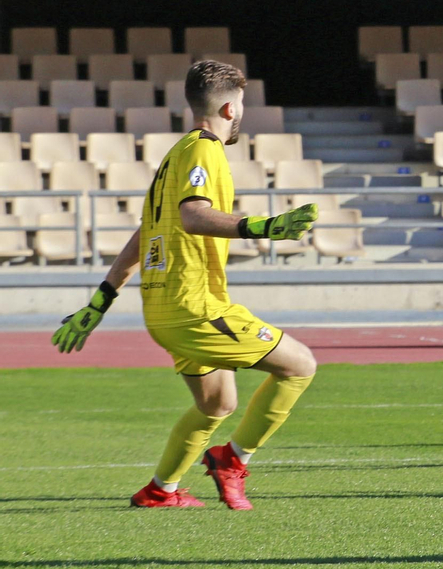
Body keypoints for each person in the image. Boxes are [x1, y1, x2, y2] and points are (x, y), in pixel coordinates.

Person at [51, 60, 321, 510]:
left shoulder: (175, 155)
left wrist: (100, 300)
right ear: (231, 109)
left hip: (162, 308)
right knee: (300, 365)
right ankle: (231, 461)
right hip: (196, 306)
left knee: (217, 403)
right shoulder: (204, 150)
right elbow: (193, 216)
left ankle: (161, 490)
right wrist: (264, 226)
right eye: (243, 107)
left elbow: (146, 233)